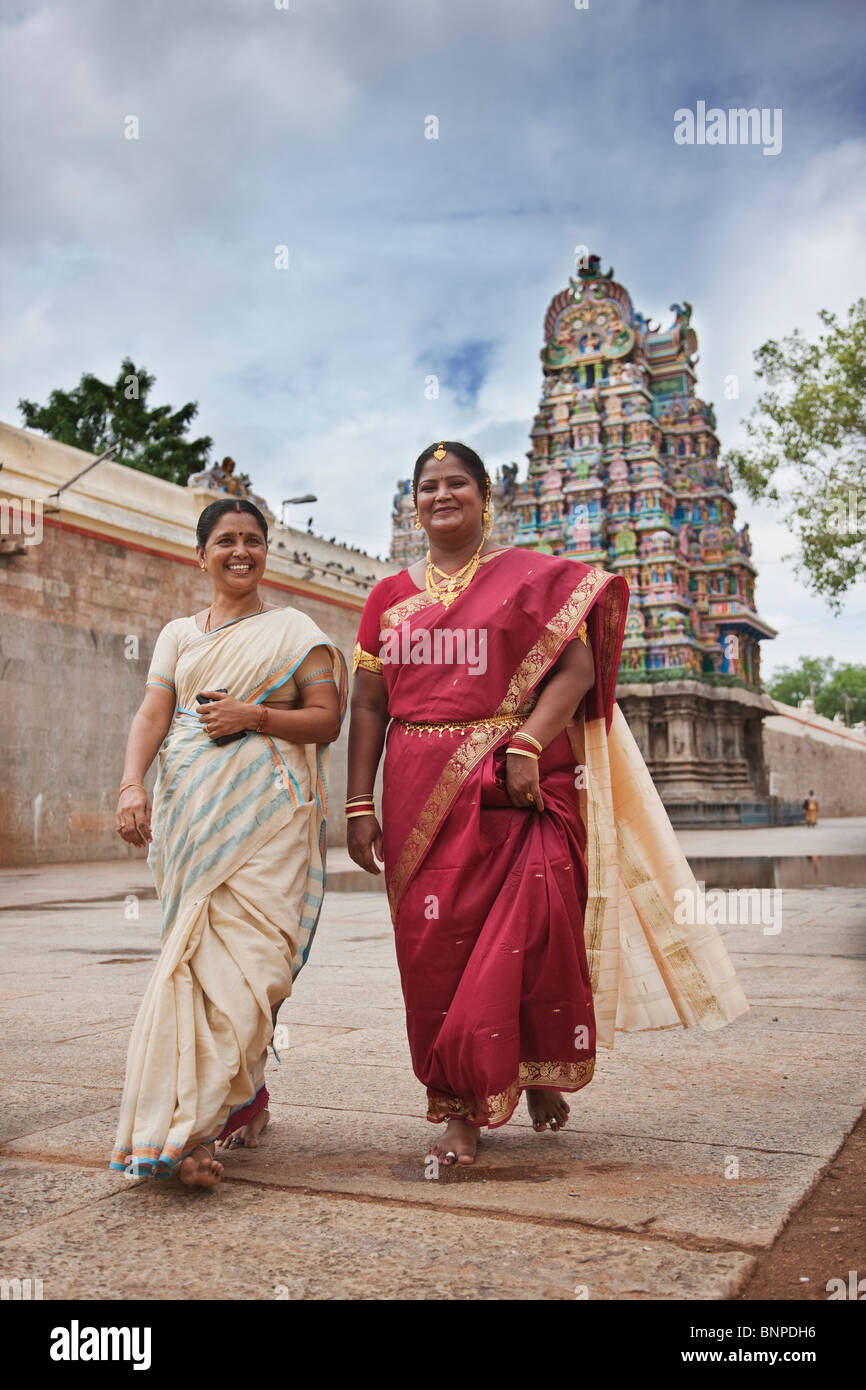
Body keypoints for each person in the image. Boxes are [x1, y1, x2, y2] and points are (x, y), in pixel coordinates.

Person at [347, 441, 748, 1166]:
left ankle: (513, 1080)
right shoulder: (385, 598)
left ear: (484, 497)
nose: (443, 495)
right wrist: (355, 803)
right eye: (429, 486)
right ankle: (459, 1099)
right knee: (435, 952)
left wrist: (529, 742)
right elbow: (369, 703)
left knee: (532, 933)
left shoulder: (532, 579)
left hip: (517, 783)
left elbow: (578, 666)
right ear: (413, 502)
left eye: (458, 483)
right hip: (417, 791)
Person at [111, 498, 346, 1186]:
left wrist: (256, 715)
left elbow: (327, 718)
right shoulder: (179, 634)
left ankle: (207, 1119)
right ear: (202, 553)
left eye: (252, 540)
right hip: (192, 820)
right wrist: (132, 785)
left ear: (265, 552)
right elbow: (155, 711)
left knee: (253, 972)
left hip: (270, 824)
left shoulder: (294, 629)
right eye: (225, 541)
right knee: (196, 969)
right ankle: (198, 1129)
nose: (239, 551)